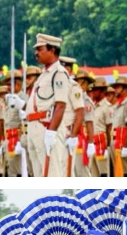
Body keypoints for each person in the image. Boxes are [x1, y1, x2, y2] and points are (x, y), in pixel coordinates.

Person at [26, 34, 84, 177]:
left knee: (51, 174)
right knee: (38, 174)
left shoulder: (58, 73)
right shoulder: (44, 74)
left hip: (46, 126)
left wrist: (51, 132)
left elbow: (61, 105)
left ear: (52, 50)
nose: (36, 53)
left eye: (40, 49)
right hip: (34, 126)